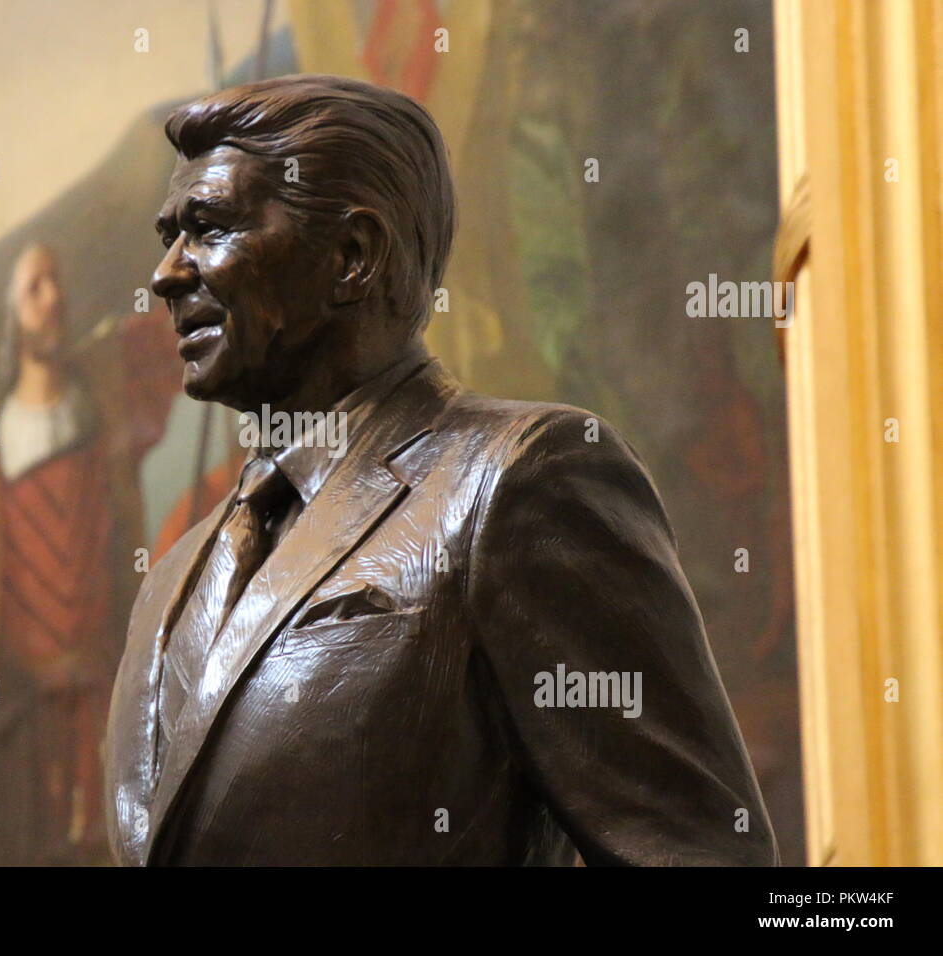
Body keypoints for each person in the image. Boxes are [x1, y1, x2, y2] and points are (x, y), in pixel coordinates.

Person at [104, 75, 780, 866]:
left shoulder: (519, 481)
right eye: (168, 238)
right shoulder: (171, 579)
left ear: (353, 257)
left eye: (209, 227)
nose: (168, 273)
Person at [0, 243, 177, 866]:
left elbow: (182, 335)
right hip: (20, 741)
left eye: (57, 283)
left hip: (108, 716)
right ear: (13, 317)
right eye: (35, 287)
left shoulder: (102, 394)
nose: (54, 297)